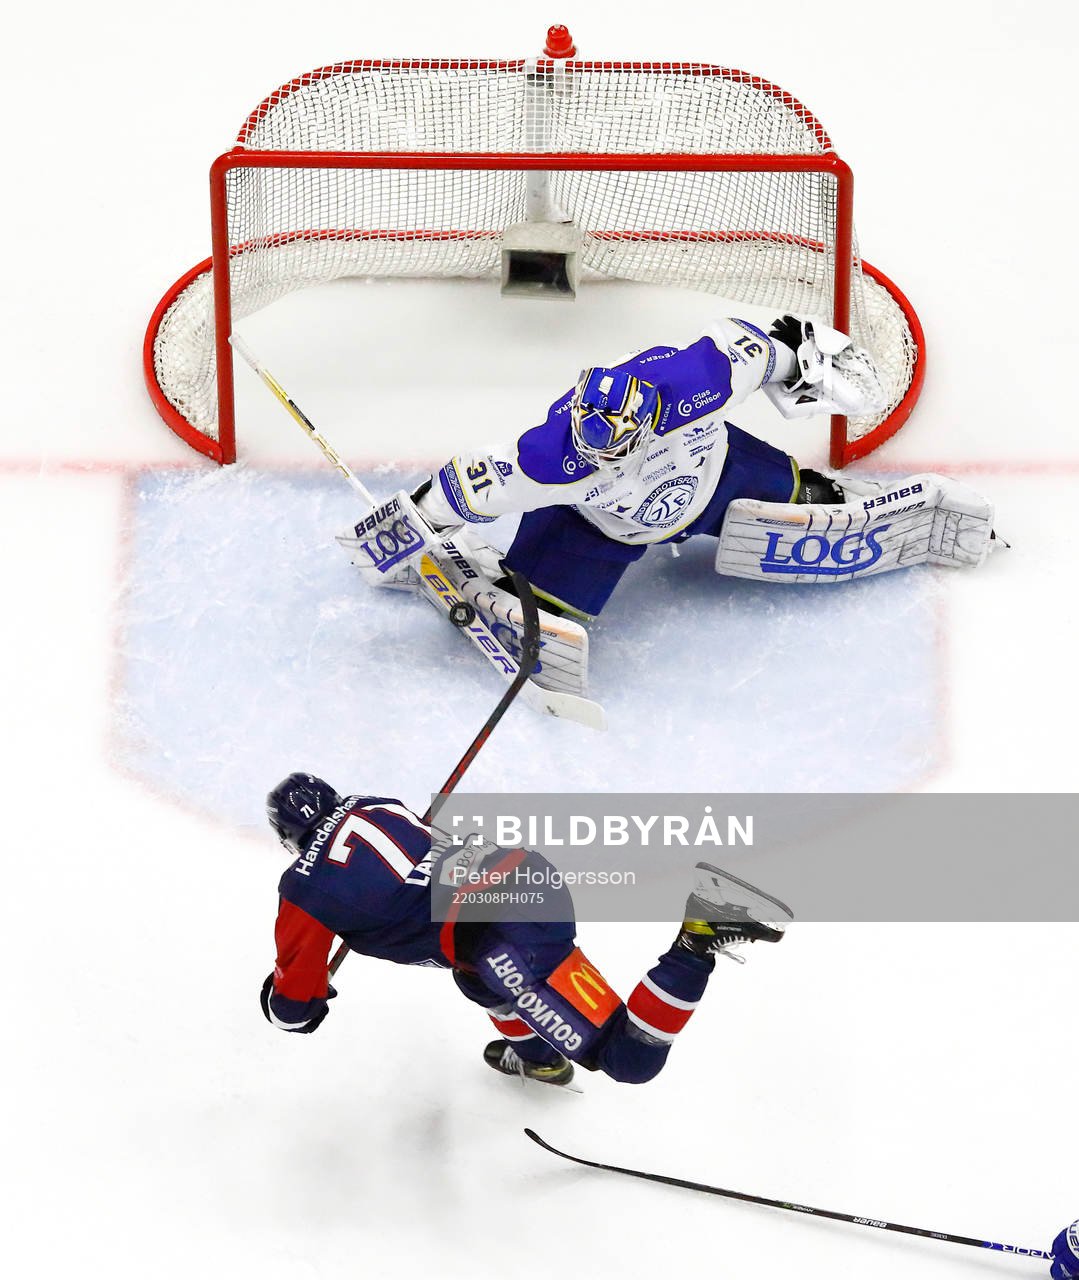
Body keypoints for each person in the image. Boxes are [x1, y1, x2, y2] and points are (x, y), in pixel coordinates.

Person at [342, 313, 995, 621]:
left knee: (810, 494)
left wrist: (823, 371)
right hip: (607, 530)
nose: (604, 456)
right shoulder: (549, 459)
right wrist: (396, 538)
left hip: (722, 476)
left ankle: (826, 494)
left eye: (616, 446)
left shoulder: (700, 380)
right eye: (597, 449)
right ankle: (507, 588)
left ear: (647, 415)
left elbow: (783, 348)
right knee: (543, 615)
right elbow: (453, 493)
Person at [260, 773, 791, 1087]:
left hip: (505, 935)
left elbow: (294, 1008)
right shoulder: (377, 804)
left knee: (628, 1060)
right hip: (522, 879)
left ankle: (697, 936)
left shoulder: (304, 890)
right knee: (472, 978)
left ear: (289, 836)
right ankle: (541, 1062)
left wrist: (286, 1003)